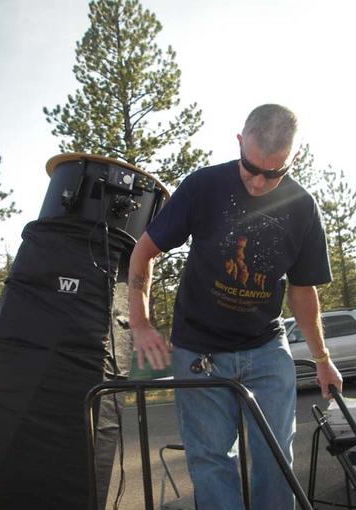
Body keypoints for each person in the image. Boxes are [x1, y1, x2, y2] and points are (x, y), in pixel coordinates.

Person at [128, 104, 342, 509]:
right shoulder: (203, 186)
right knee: (210, 459)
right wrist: (140, 322)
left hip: (265, 347)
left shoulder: (302, 206)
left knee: (275, 455)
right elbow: (144, 251)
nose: (260, 183)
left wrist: (322, 358)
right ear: (240, 143)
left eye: (273, 172)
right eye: (251, 168)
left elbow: (302, 290)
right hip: (198, 348)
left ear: (293, 158)